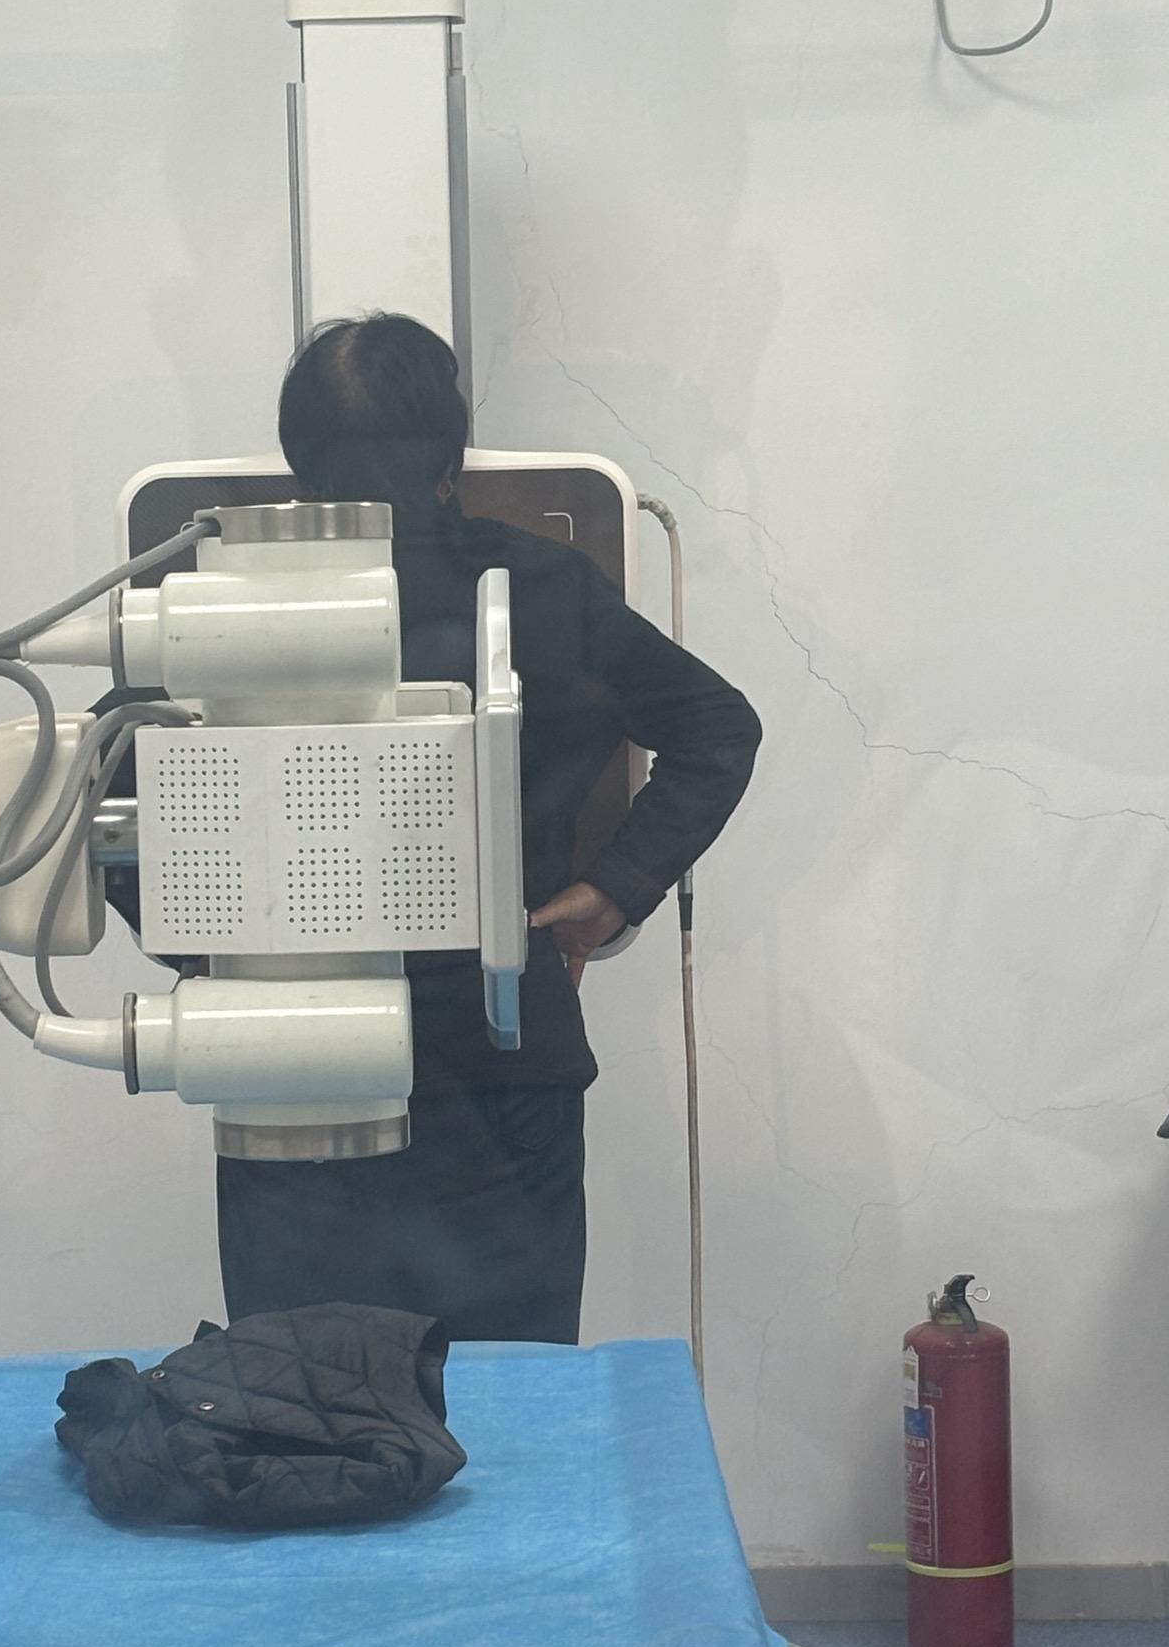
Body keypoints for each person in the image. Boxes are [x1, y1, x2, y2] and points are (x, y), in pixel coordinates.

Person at [206, 312, 761, 1345]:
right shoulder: (539, 589)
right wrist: (611, 892)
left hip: (290, 1073)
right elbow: (719, 729)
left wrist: (216, 951)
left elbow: (114, 785)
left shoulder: (218, 607)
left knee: (302, 1396)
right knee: (514, 1401)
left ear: (296, 458)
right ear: (453, 453)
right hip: (502, 1064)